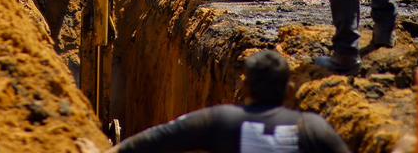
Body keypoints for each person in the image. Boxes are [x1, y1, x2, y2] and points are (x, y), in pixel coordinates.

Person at [105, 50, 349, 152]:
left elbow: (151, 141)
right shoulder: (313, 129)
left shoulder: (220, 121)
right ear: (289, 90)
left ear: (244, 87)